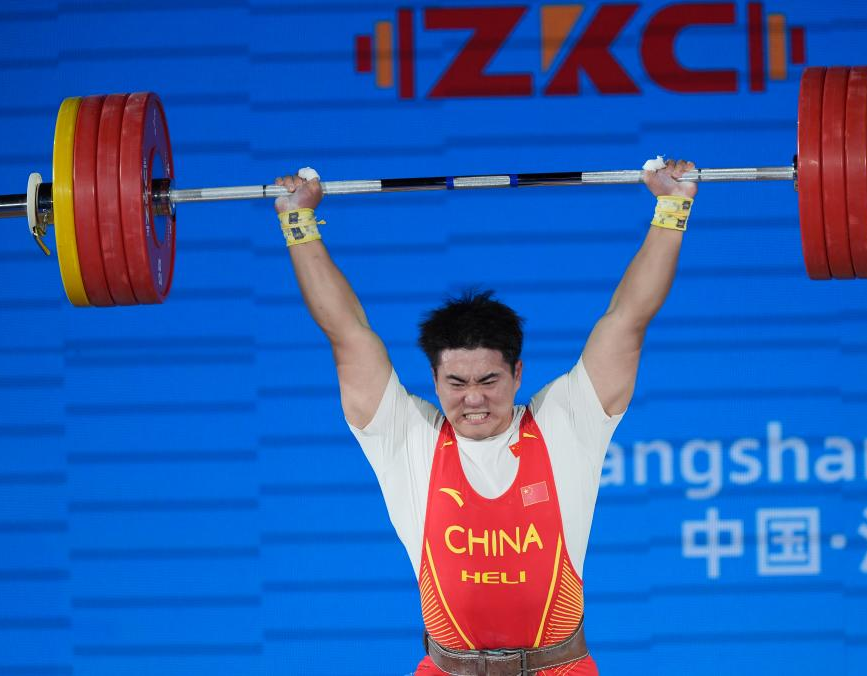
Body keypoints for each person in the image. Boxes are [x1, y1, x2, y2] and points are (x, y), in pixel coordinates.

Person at [274, 160, 697, 675]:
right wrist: (298, 221)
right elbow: (346, 331)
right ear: (434, 381)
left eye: (488, 381)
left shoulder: (566, 422)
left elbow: (628, 318)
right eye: (456, 383)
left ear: (517, 374)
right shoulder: (407, 437)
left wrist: (671, 208)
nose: (473, 399)